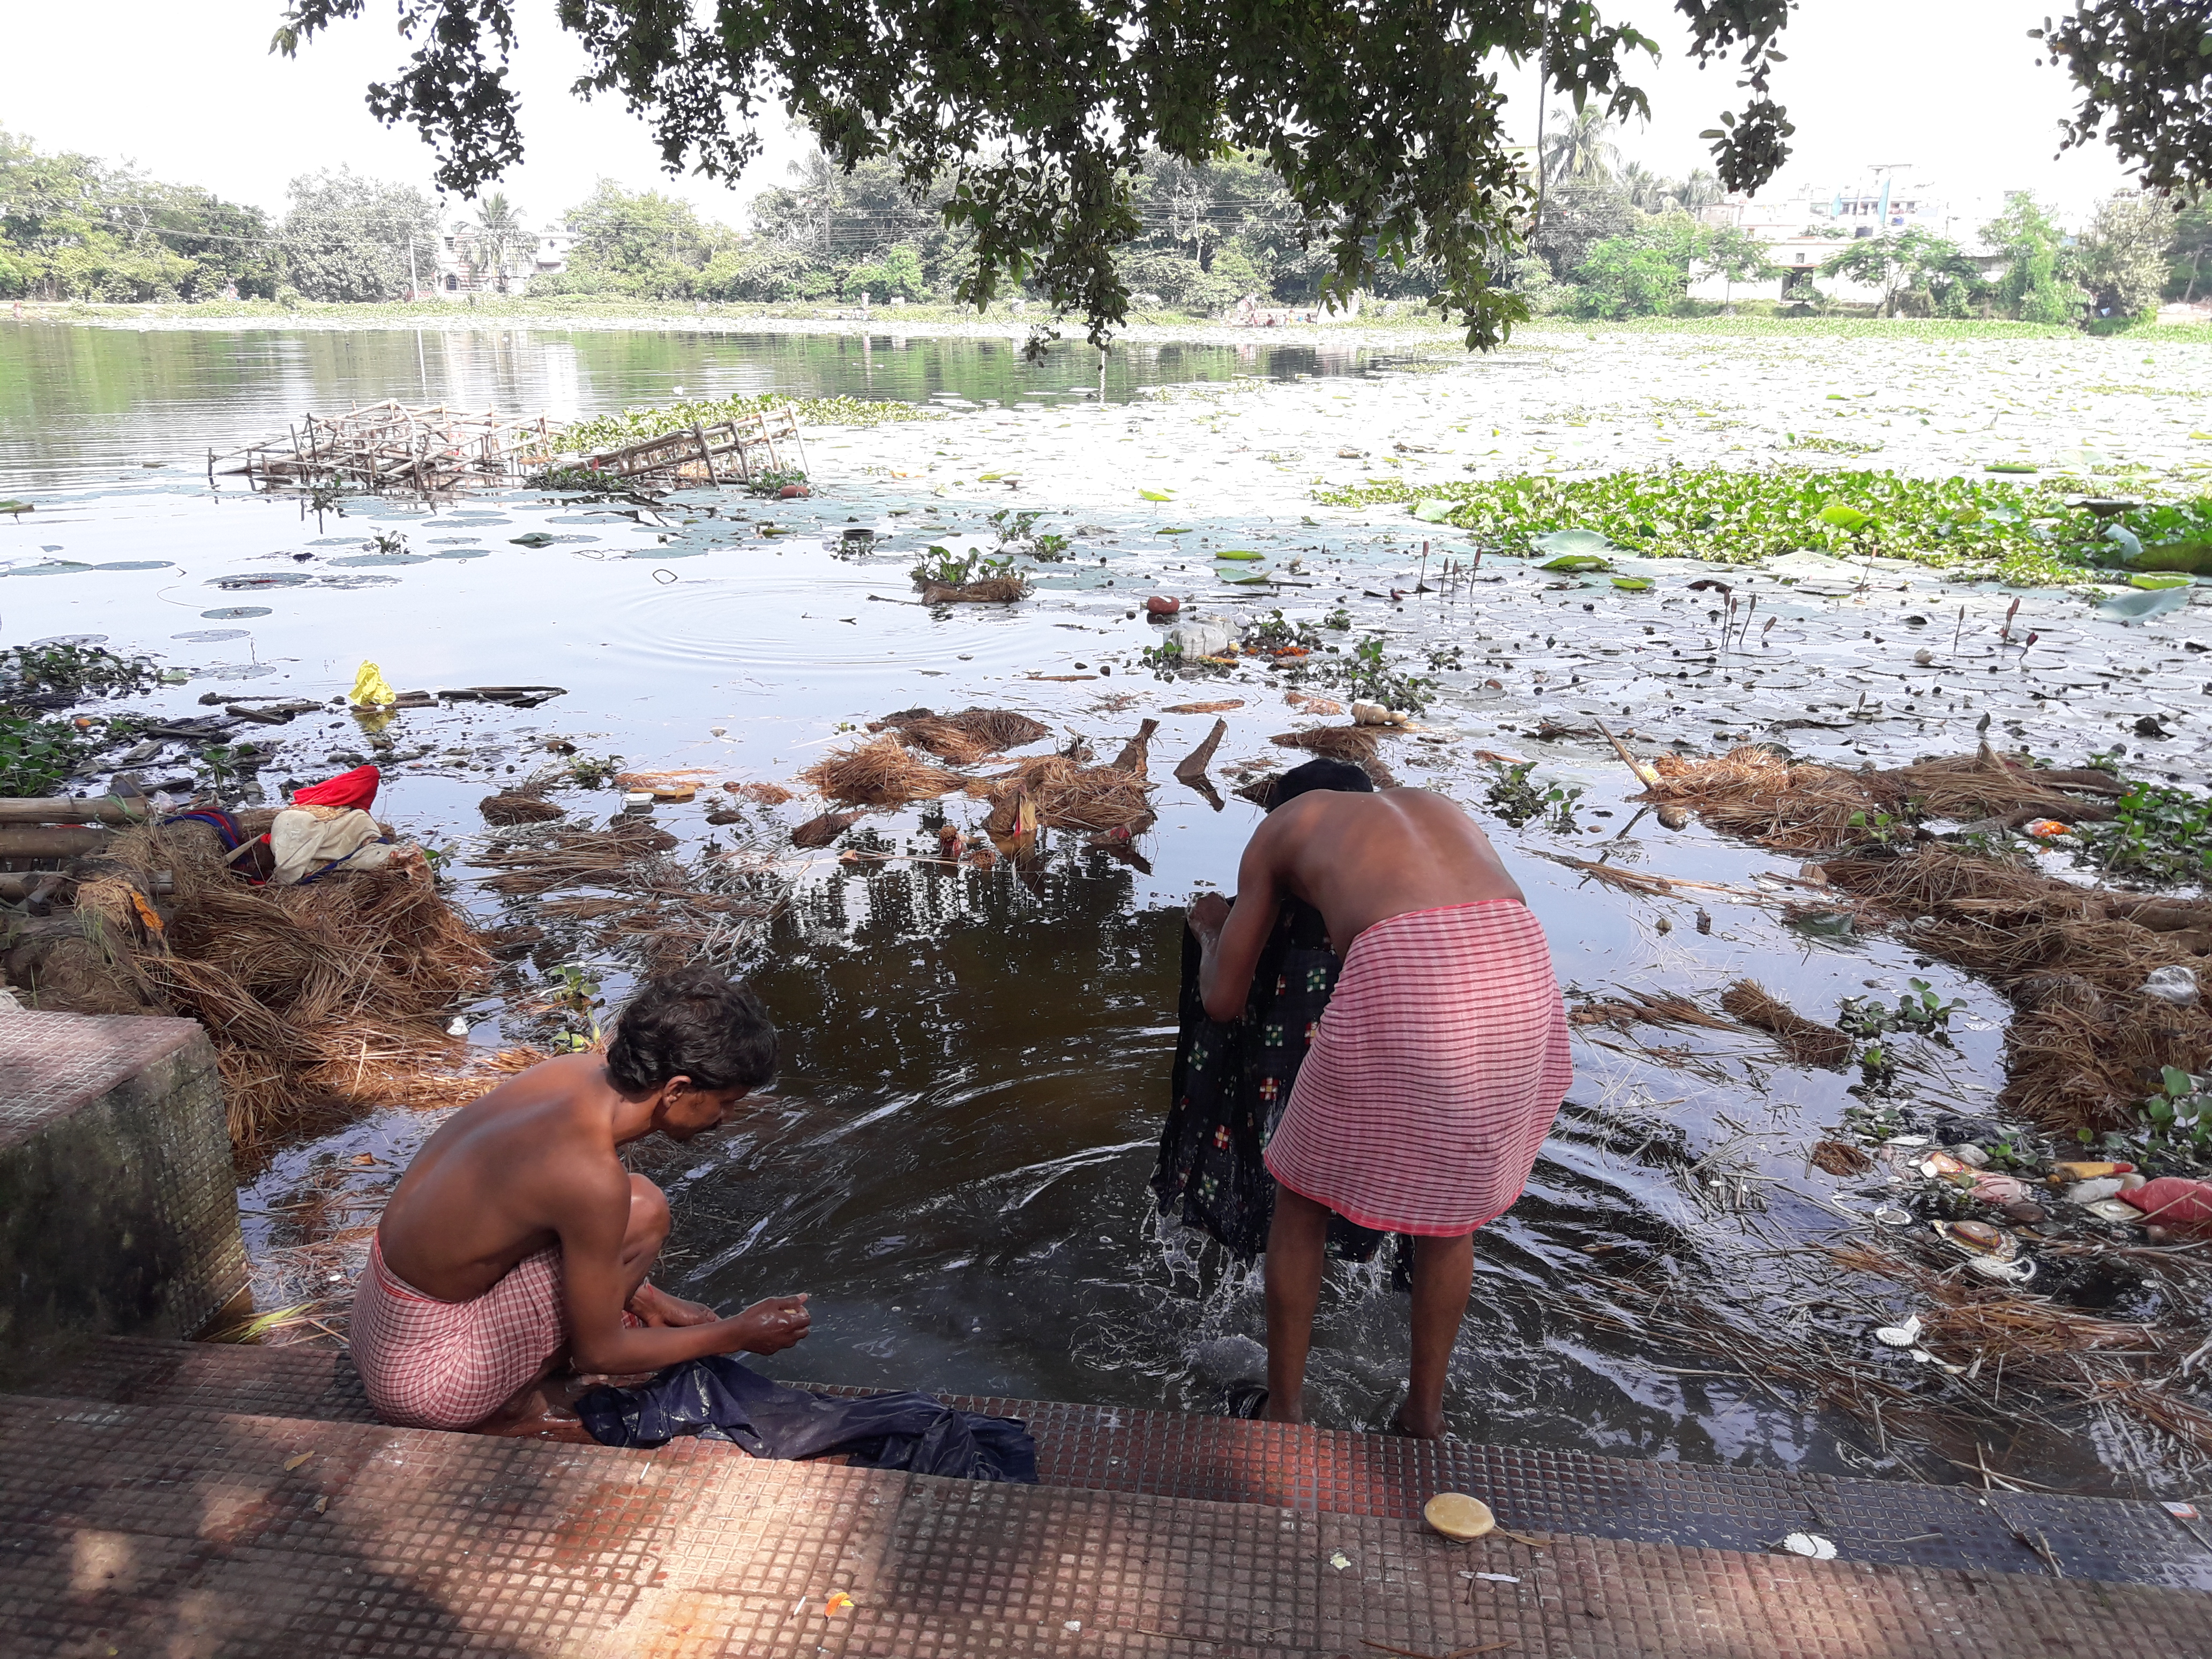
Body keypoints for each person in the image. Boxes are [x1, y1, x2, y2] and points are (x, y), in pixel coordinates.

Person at [1187, 760, 1571, 1438]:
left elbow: (1223, 1000)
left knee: (1301, 1196)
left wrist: (1214, 928)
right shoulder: (1433, 803)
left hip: (1410, 967)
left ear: (1281, 803)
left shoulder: (1283, 825)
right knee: (1450, 1220)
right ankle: (1423, 1417)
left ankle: (1284, 1413)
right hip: (1522, 963)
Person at [352, 969, 811, 1433]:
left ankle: (532, 1373)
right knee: (643, 1209)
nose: (726, 1118)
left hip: (379, 1331)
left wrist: (651, 1300)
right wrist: (736, 1334)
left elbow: (510, 1221)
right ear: (676, 1090)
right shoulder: (590, 1176)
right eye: (726, 1102)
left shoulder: (568, 1074)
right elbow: (600, 1353)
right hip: (428, 1384)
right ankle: (512, 1409)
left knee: (630, 1205)